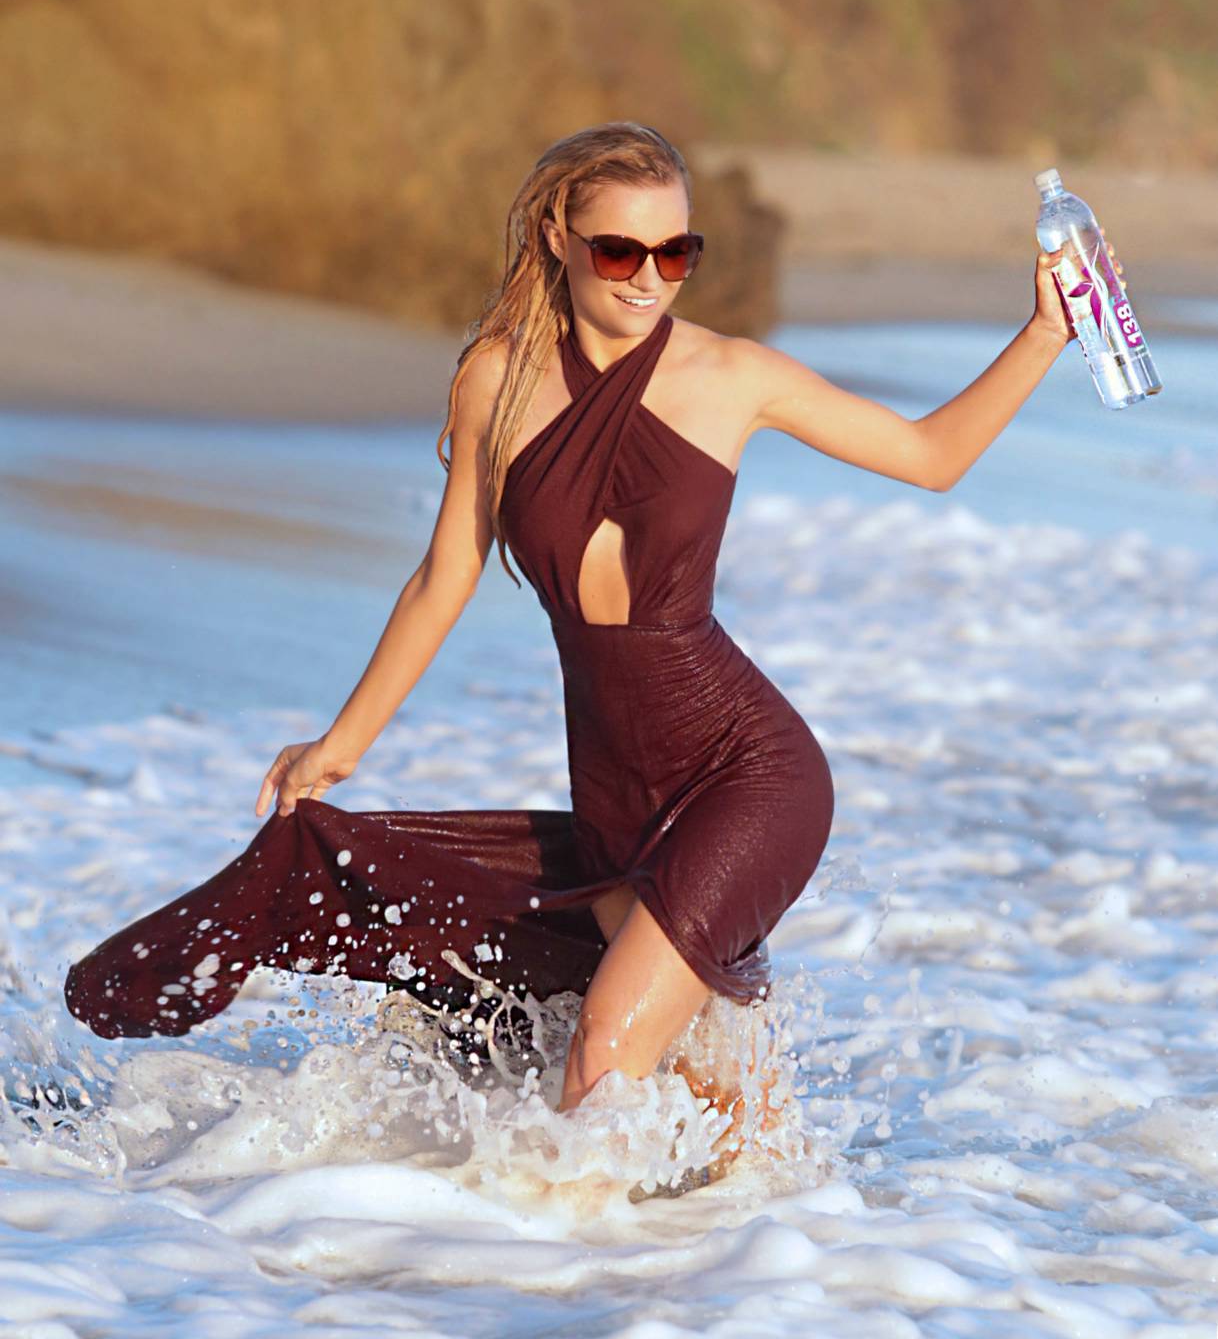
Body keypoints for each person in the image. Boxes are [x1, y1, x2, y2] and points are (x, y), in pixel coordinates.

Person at [63, 120, 1089, 1134]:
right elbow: (445, 573)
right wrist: (343, 743)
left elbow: (932, 454)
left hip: (749, 771)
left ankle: (558, 1276)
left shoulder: (731, 376)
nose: (650, 278)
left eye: (677, 252)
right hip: (611, 787)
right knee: (710, 1088)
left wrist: (1046, 329)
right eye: (621, 250)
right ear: (559, 232)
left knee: (605, 1045)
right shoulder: (494, 384)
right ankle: (793, 1256)